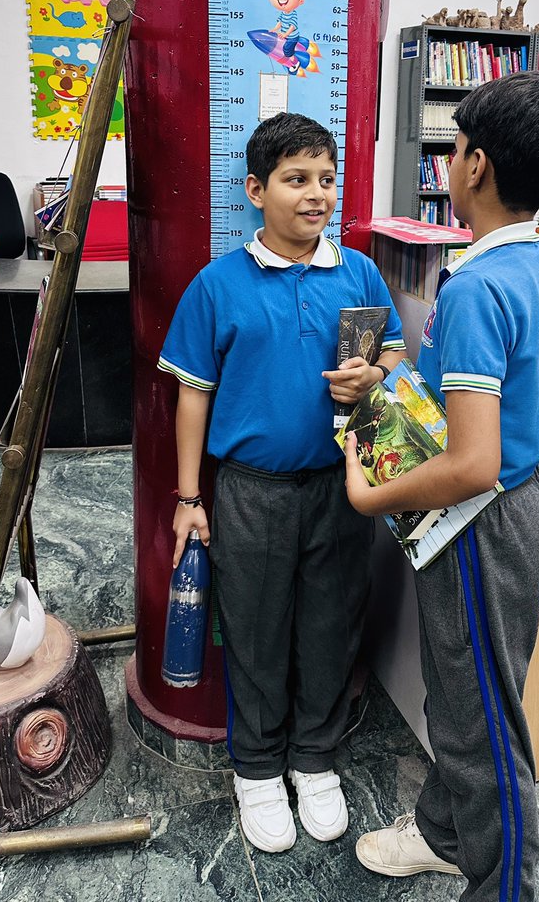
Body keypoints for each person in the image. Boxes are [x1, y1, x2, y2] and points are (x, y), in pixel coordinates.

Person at [344, 72, 539, 901]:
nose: (451, 162)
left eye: (454, 149)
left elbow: (472, 463)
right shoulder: (532, 259)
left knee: (484, 727)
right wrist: (386, 385)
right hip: (514, 508)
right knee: (466, 697)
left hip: (479, 522)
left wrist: (369, 495)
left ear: (476, 165)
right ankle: (445, 831)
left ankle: (504, 885)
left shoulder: (481, 287)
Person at [158, 112, 406, 854]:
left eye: (327, 179)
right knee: (257, 629)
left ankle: (315, 758)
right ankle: (258, 769)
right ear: (255, 190)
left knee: (332, 623)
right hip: (252, 492)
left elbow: (392, 354)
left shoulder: (358, 273)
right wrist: (189, 498)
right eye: (297, 179)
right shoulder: (218, 285)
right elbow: (193, 394)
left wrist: (375, 375)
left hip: (344, 484)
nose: (316, 194)